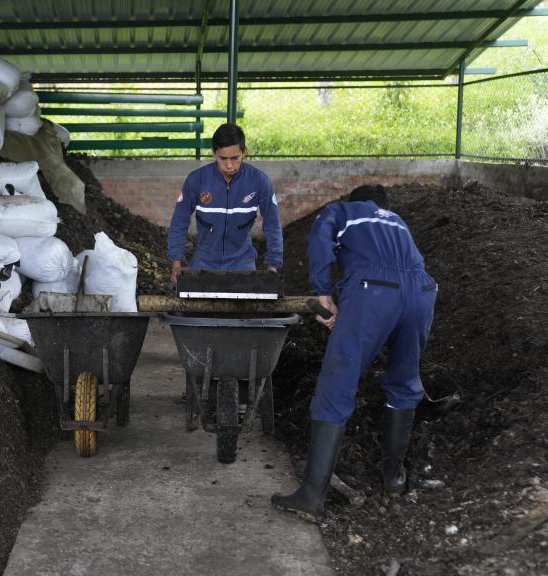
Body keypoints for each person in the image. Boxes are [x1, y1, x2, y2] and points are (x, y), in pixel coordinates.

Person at [271, 184, 438, 523]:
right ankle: (394, 478)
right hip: (422, 291)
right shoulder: (398, 223)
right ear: (386, 206)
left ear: (356, 200)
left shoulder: (345, 211)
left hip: (375, 292)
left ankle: (311, 495)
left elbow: (320, 237)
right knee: (404, 383)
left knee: (337, 382)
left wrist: (323, 292)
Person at [167, 123, 283, 283]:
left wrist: (272, 265)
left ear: (244, 152)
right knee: (195, 306)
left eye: (235, 158)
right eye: (223, 158)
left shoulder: (259, 181)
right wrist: (176, 262)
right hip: (204, 261)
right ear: (214, 153)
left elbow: (272, 223)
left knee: (246, 307)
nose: (229, 165)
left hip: (242, 262)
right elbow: (179, 221)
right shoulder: (196, 180)